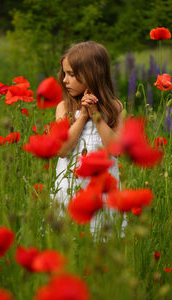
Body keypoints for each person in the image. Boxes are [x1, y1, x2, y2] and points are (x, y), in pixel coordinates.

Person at [54, 41, 124, 235]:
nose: (65, 80)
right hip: (70, 186)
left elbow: (116, 149)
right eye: (64, 74)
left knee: (101, 238)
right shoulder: (64, 107)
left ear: (92, 74)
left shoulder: (114, 107)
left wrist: (96, 116)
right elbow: (62, 149)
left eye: (72, 75)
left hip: (101, 189)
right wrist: (83, 116)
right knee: (70, 238)